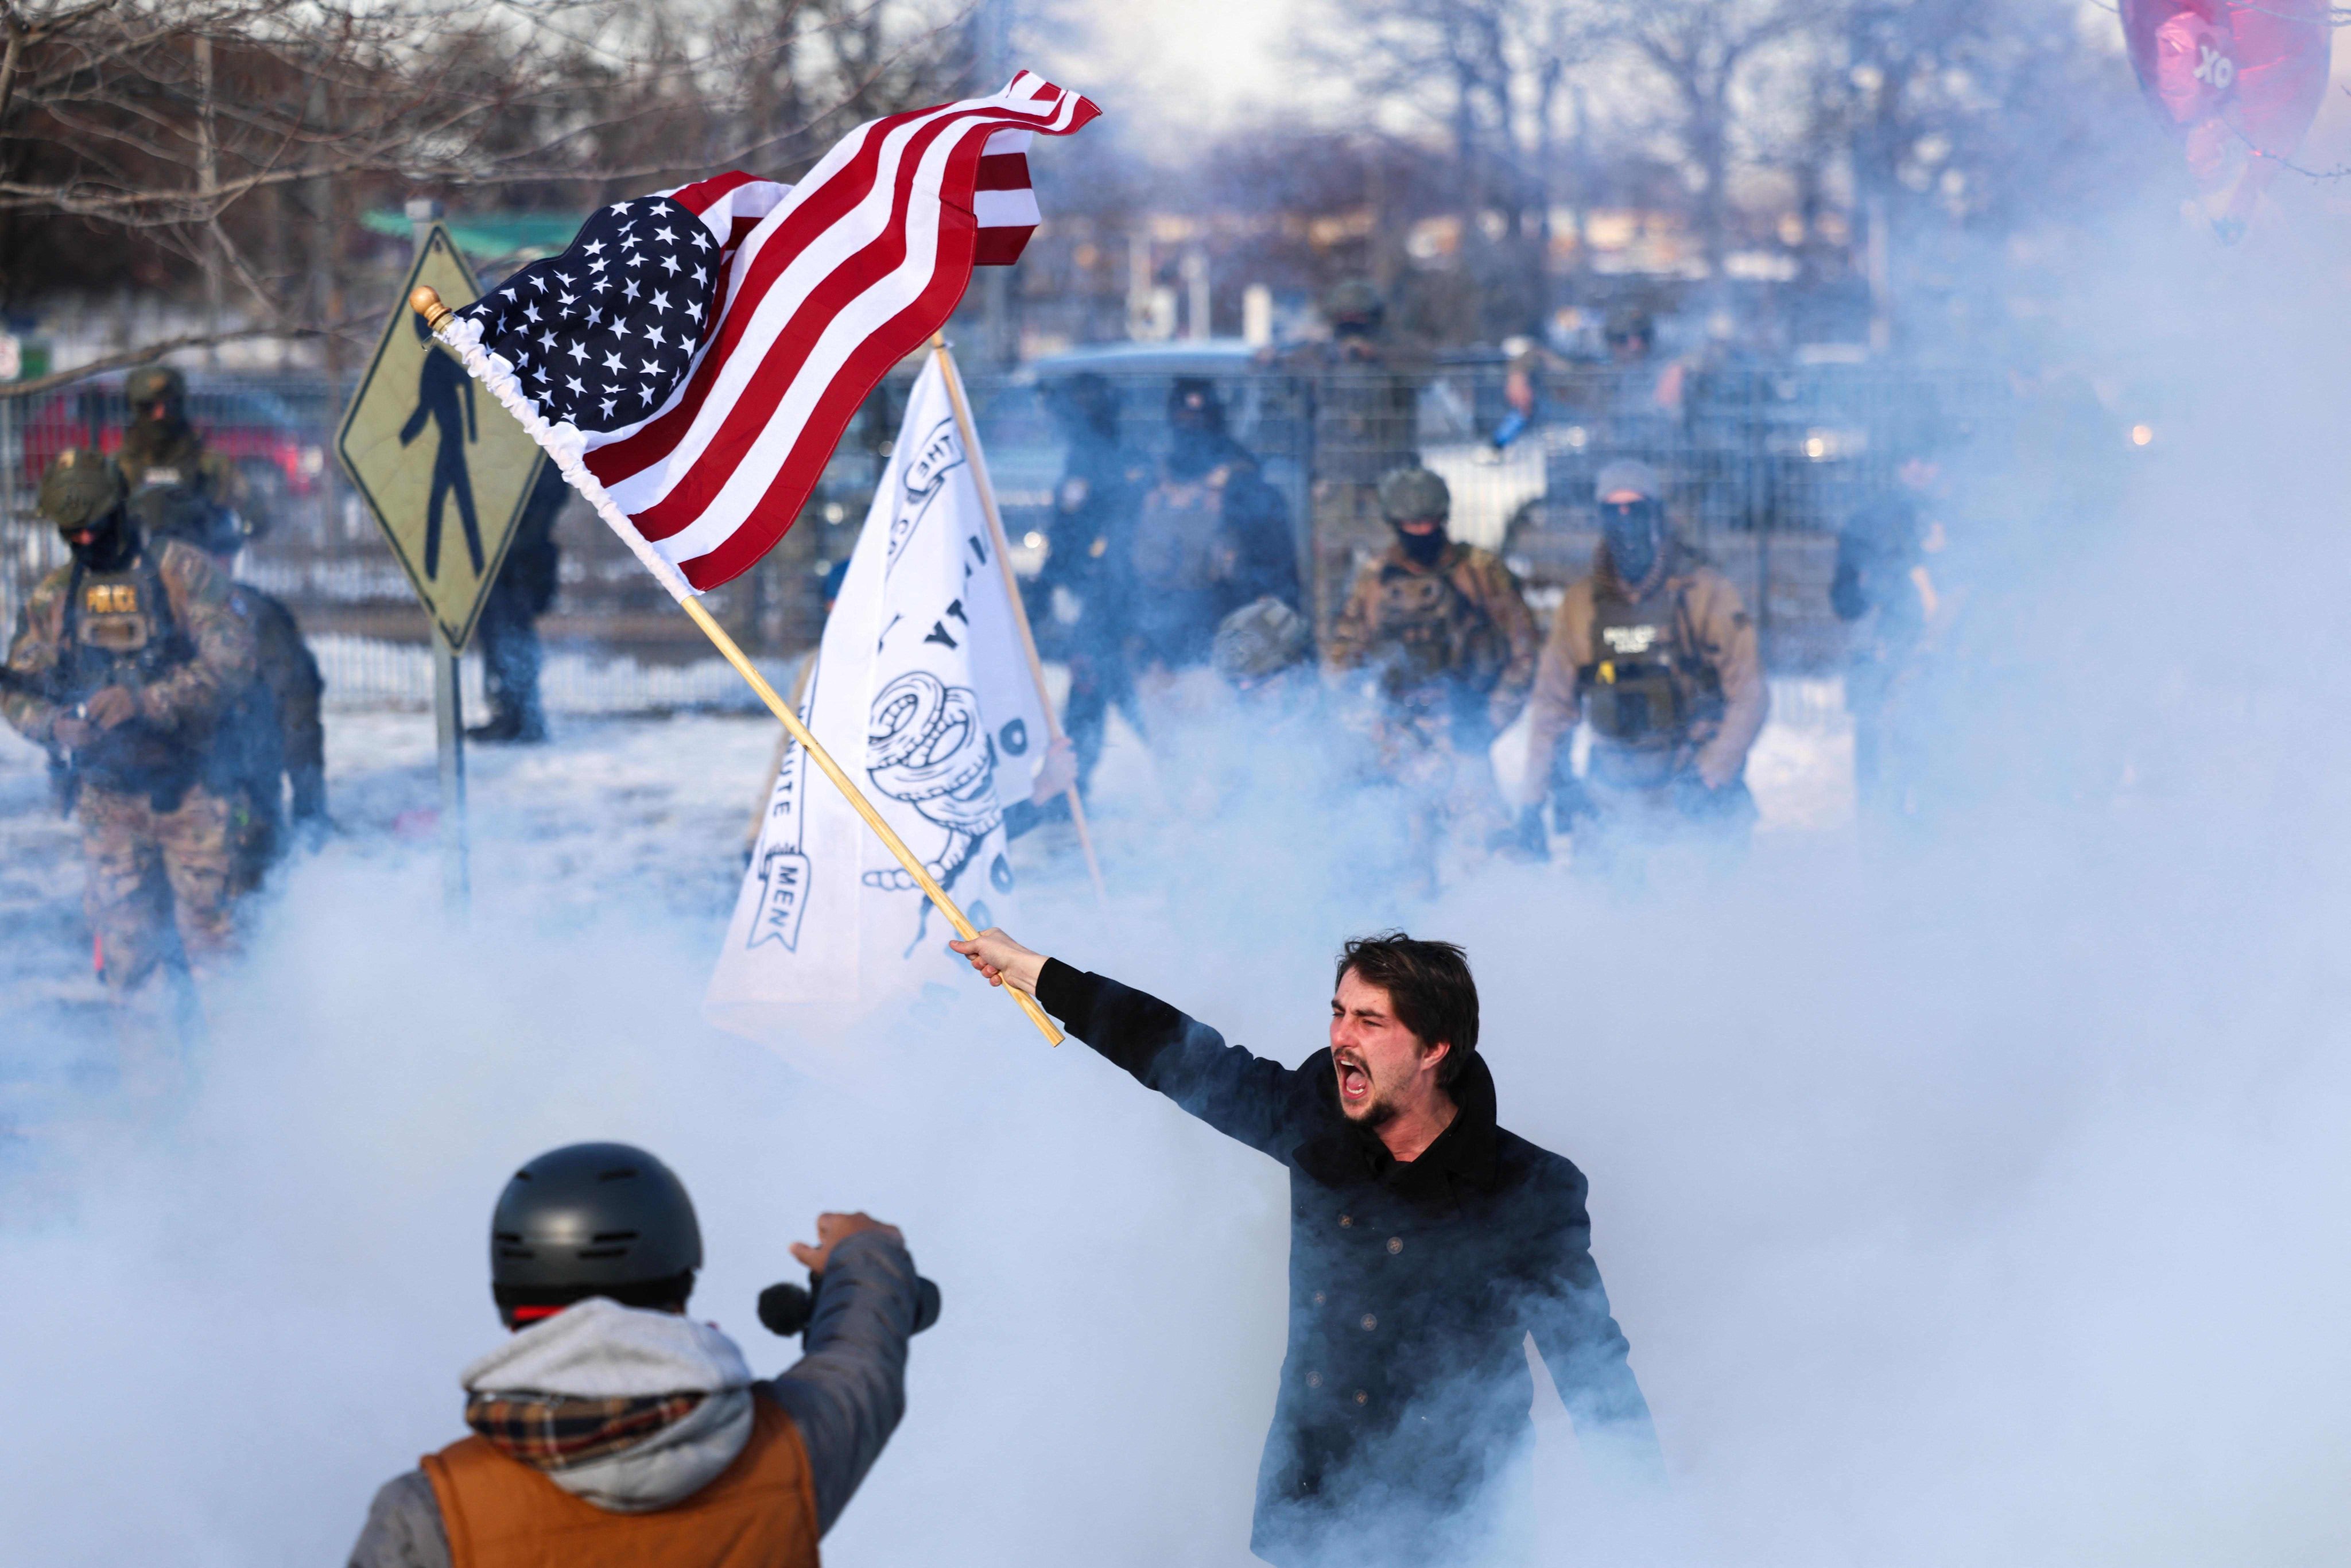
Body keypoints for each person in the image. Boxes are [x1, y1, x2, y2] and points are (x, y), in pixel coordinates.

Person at [947, 929, 1663, 1567]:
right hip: (1312, 1509)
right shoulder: (1318, 1115)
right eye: (1338, 1011)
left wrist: (1655, 1528)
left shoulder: (1528, 1187)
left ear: (1433, 1049)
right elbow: (1177, 1053)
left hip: (1452, 1531)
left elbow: (1594, 1369)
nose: (1341, 1036)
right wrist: (1035, 971)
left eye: (1370, 1020)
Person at [348, 1141, 922, 1568]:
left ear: (508, 1298)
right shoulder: (792, 1449)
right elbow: (863, 1356)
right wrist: (863, 1250)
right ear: (681, 1281)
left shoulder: (429, 1513)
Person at [1, 449, 258, 995]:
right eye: (73, 534)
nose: (86, 543)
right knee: (131, 967)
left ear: (119, 510)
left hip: (194, 789)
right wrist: (55, 725)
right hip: (108, 802)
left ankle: (238, 1079)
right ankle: (150, 1081)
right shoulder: (54, 597)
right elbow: (18, 689)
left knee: (217, 960)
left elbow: (234, 664)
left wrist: (147, 702)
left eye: (94, 528)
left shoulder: (183, 573)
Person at [1517, 459, 1768, 857]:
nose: (1625, 521)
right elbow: (1551, 707)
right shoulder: (1581, 606)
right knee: (1600, 911)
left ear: (1656, 514)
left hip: (1691, 784)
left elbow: (1749, 694)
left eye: (1635, 508)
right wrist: (1533, 802)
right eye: (1612, 510)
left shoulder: (1705, 594)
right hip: (1611, 793)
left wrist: (1713, 774)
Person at [1323, 465, 1538, 890]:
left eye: (1429, 522)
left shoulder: (1481, 572)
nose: (1421, 532)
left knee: (1496, 869)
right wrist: (1363, 727)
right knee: (1404, 875)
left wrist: (1492, 719)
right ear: (1394, 524)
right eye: (1410, 524)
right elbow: (1341, 662)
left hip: (1464, 739)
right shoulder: (1375, 579)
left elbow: (1524, 652)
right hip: (1397, 743)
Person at [143, 475, 327, 885]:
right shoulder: (142, 615)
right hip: (164, 801)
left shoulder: (256, 618)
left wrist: (310, 812)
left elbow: (296, 709)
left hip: (235, 804)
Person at [1263, 280, 1423, 642]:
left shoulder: (1396, 353)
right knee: (1327, 587)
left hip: (1387, 487)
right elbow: (1290, 367)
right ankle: (1332, 659)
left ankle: (1392, 658)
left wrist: (1377, 355)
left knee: (1393, 579)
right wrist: (1275, 359)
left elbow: (1426, 364)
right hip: (1335, 489)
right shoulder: (1321, 357)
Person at [1127, 378, 1299, 676]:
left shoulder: (1248, 490)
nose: (1191, 426)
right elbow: (1119, 569)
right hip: (1155, 642)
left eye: (1200, 418)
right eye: (1183, 417)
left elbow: (1276, 580)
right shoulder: (1148, 487)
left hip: (1225, 637)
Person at [1034, 373, 1149, 795]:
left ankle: (1188, 779)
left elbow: (1080, 534)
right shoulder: (1085, 458)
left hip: (1114, 600)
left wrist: (1051, 583)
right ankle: (1073, 787)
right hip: (1101, 601)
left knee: (1120, 692)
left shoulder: (1104, 460)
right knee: (1096, 691)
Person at [1832, 451, 1949, 825]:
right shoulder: (1867, 522)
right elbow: (1844, 602)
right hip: (1880, 673)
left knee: (1941, 787)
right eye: (1907, 458)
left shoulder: (1960, 520)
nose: (1917, 467)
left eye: (1927, 457)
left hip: (1945, 675)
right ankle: (1883, 872)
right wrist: (1869, 587)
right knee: (1879, 790)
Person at [470, 460, 567, 744]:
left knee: (512, 638)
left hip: (520, 563)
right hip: (502, 557)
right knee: (498, 636)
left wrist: (510, 539)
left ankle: (522, 719)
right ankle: (510, 716)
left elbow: (549, 498)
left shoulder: (536, 449)